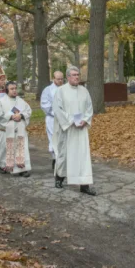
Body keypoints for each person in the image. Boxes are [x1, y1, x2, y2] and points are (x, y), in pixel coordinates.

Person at [53, 66, 96, 196]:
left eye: (78, 75)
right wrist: (71, 120)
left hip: (81, 129)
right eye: (73, 75)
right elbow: (57, 109)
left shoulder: (84, 91)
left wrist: (85, 120)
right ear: (68, 77)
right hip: (67, 129)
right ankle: (60, 177)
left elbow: (89, 108)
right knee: (65, 154)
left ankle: (84, 184)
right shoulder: (61, 91)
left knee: (82, 156)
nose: (76, 77)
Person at [0, 81, 32, 177]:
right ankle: (2, 165)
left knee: (21, 149)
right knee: (4, 150)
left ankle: (22, 168)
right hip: (6, 131)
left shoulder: (21, 101)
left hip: (19, 131)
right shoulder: (1, 102)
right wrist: (10, 117)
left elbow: (28, 111)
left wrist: (22, 116)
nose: (14, 90)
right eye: (12, 89)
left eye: (15, 88)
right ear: (7, 90)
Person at [40, 71, 64, 170]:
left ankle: (62, 160)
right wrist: (56, 113)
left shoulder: (65, 89)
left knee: (62, 139)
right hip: (52, 118)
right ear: (53, 78)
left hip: (64, 119)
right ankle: (55, 159)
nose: (60, 81)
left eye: (62, 79)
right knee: (53, 139)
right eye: (58, 79)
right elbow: (45, 104)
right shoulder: (48, 90)